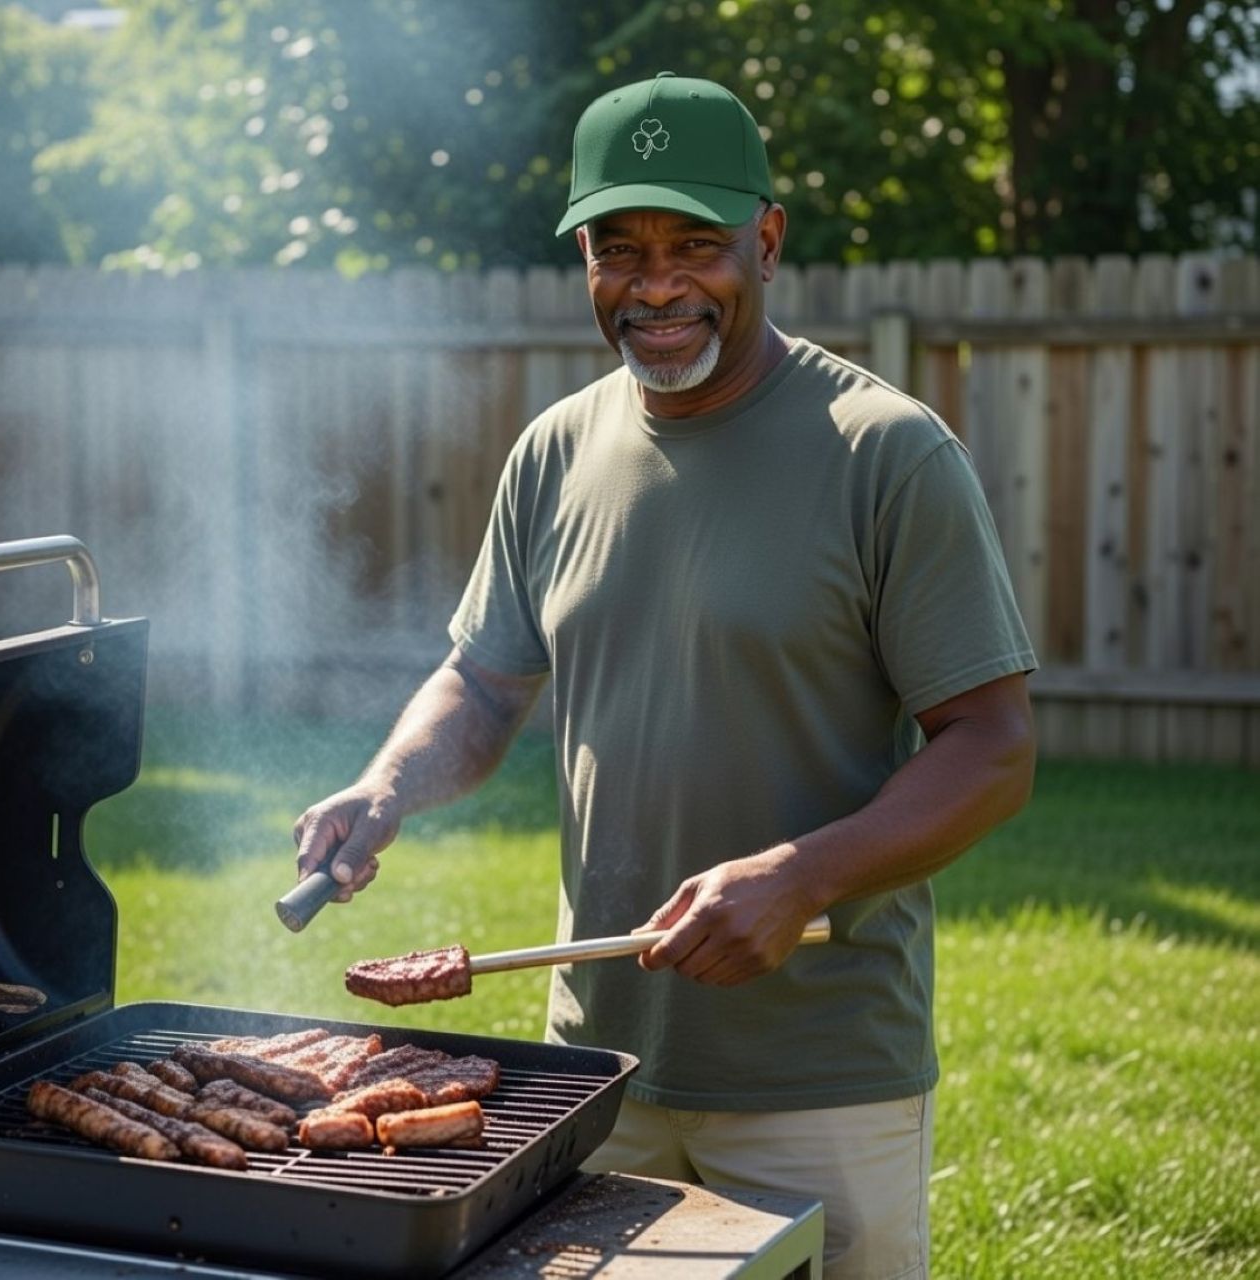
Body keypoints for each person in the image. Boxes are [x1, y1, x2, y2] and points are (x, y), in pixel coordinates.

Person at [293, 72, 1036, 1280]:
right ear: (583, 257)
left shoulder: (886, 453)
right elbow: (481, 687)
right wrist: (385, 786)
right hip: (602, 1066)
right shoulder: (555, 449)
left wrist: (801, 876)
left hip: (817, 1076)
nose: (655, 285)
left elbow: (992, 745)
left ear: (767, 240)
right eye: (618, 248)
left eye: (695, 244)